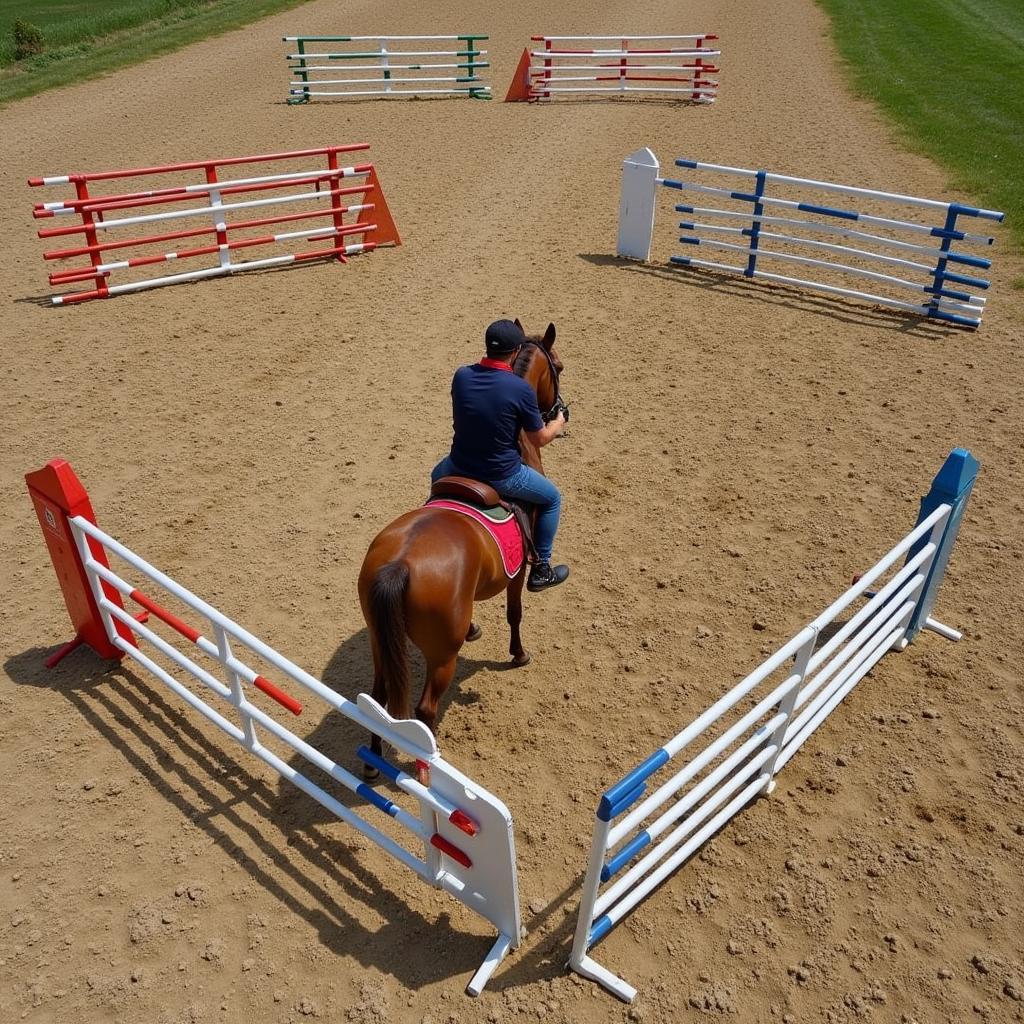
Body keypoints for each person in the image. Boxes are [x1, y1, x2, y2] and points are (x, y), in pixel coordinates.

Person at [431, 319, 569, 592]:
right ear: (516, 352)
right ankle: (542, 566)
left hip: (456, 465)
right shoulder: (520, 390)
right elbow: (537, 439)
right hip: (502, 475)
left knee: (435, 476)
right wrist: (558, 423)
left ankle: (434, 521)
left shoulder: (461, 375)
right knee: (553, 498)